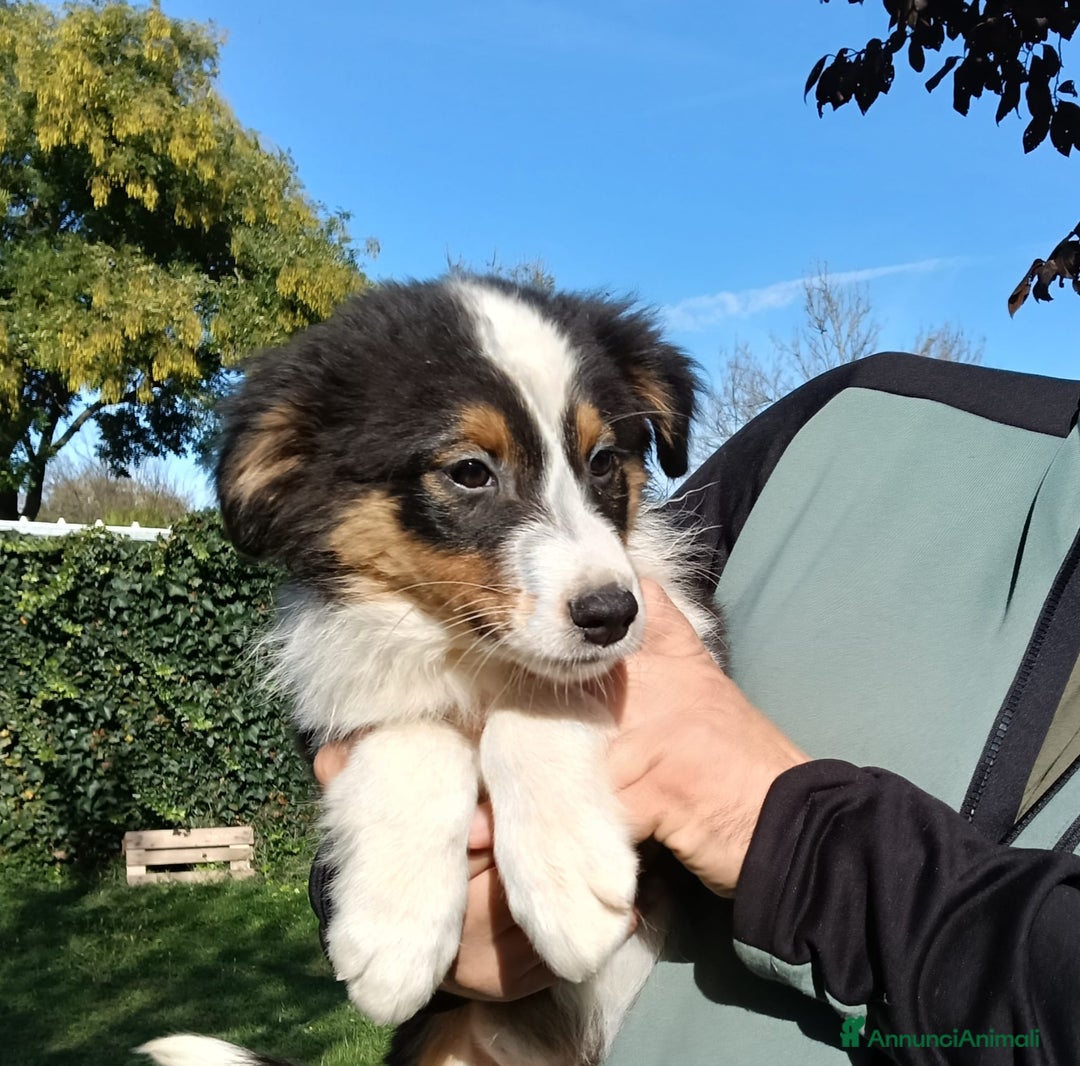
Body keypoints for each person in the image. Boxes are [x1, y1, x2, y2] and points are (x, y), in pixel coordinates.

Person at [312, 353, 1080, 1063]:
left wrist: (774, 825)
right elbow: (429, 654)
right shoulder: (856, 421)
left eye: (604, 463)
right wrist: (401, 863)